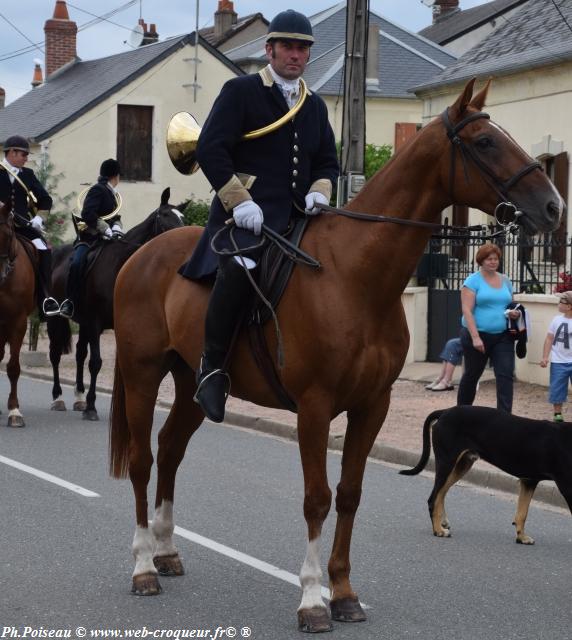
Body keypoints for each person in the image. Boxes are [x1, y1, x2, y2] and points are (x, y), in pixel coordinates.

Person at [179, 9, 339, 423]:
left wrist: (320, 192)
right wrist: (239, 200)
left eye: (303, 48)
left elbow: (326, 162)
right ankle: (212, 369)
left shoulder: (315, 105)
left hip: (297, 218)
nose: (296, 54)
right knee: (241, 267)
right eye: (287, 46)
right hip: (243, 217)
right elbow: (211, 149)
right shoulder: (241, 91)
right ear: (269, 49)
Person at [457, 243, 521, 413]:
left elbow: (509, 305)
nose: (493, 262)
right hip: (477, 336)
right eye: (489, 259)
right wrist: (475, 337)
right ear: (481, 261)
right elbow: (467, 310)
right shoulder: (472, 281)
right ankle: (462, 413)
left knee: (505, 376)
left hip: (503, 336)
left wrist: (513, 313)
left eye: (496, 259)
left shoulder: (505, 280)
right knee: (472, 375)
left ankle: (504, 418)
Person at [0, 135, 60, 316]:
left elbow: (45, 199)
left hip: (22, 225)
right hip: (0, 223)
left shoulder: (28, 174)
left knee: (44, 249)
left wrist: (39, 218)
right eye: (23, 154)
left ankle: (45, 298)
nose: (26, 158)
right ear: (11, 152)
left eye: (27, 155)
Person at [59, 159, 122, 319]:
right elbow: (88, 213)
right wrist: (105, 227)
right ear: (116, 176)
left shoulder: (112, 194)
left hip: (108, 238)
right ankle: (69, 301)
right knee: (77, 263)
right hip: (90, 238)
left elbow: (115, 216)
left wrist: (116, 227)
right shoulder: (97, 190)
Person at [539, 290, 572, 422]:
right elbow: (549, 339)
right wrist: (545, 356)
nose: (558, 304)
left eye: (561, 302)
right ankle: (557, 414)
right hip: (558, 362)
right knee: (557, 388)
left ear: (569, 306)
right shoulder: (556, 320)